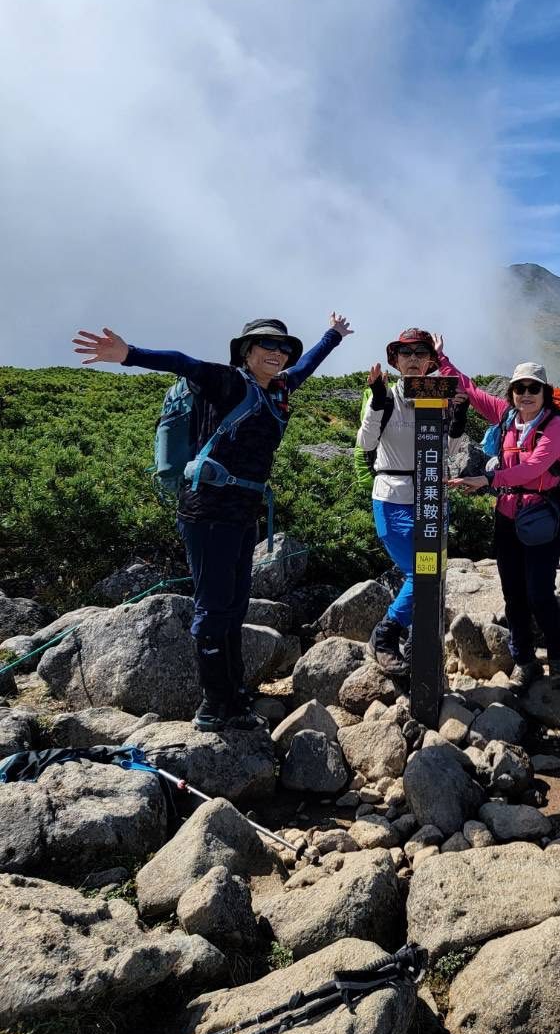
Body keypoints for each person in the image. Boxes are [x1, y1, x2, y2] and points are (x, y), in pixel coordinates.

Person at [72, 314, 353, 732]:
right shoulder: (226, 382)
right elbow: (183, 362)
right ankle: (213, 706)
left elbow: (307, 364)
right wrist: (129, 354)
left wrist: (333, 335)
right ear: (247, 351)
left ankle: (234, 695)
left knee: (235, 605)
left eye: (283, 348)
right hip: (207, 511)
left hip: (243, 512)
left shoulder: (278, 391)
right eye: (267, 345)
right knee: (214, 607)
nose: (277, 353)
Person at [441, 348, 560, 691]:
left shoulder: (556, 426)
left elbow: (533, 468)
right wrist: (443, 360)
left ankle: (559, 659)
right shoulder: (505, 416)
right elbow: (470, 389)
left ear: (545, 392)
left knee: (540, 593)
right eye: (520, 388)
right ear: (512, 392)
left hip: (541, 516)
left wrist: (488, 479)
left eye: (533, 388)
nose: (526, 394)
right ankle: (525, 662)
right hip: (507, 517)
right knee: (512, 593)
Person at [358, 328, 467, 678]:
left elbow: (447, 451)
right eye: (406, 353)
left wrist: (458, 419)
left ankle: (417, 652)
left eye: (421, 353)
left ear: (431, 361)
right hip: (394, 499)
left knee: (431, 572)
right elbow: (366, 441)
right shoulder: (386, 397)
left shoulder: (438, 396)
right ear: (396, 361)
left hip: (431, 496)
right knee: (422, 572)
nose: (414, 359)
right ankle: (385, 636)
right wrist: (376, 400)